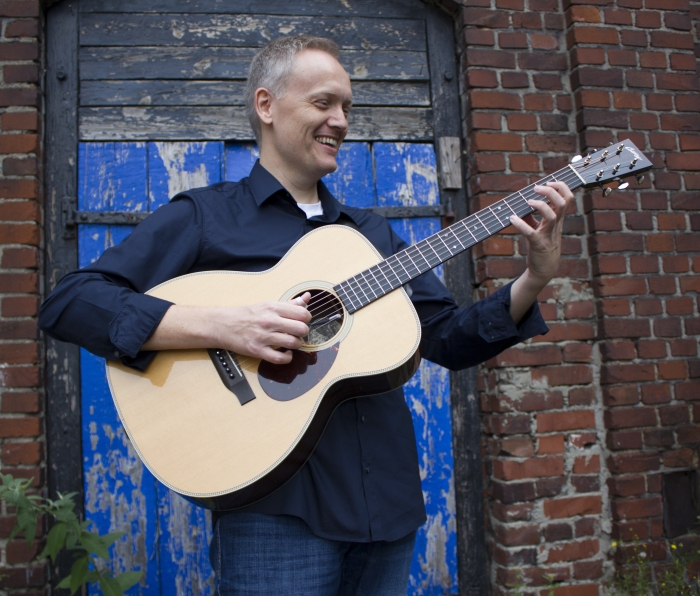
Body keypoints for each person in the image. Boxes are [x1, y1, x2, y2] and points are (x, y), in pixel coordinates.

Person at [40, 35, 573, 595]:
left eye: (347, 106)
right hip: (275, 512)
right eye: (323, 103)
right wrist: (226, 326)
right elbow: (71, 302)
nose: (340, 120)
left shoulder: (368, 236)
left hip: (385, 506)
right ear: (266, 106)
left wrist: (534, 277)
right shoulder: (206, 216)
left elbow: (445, 338)